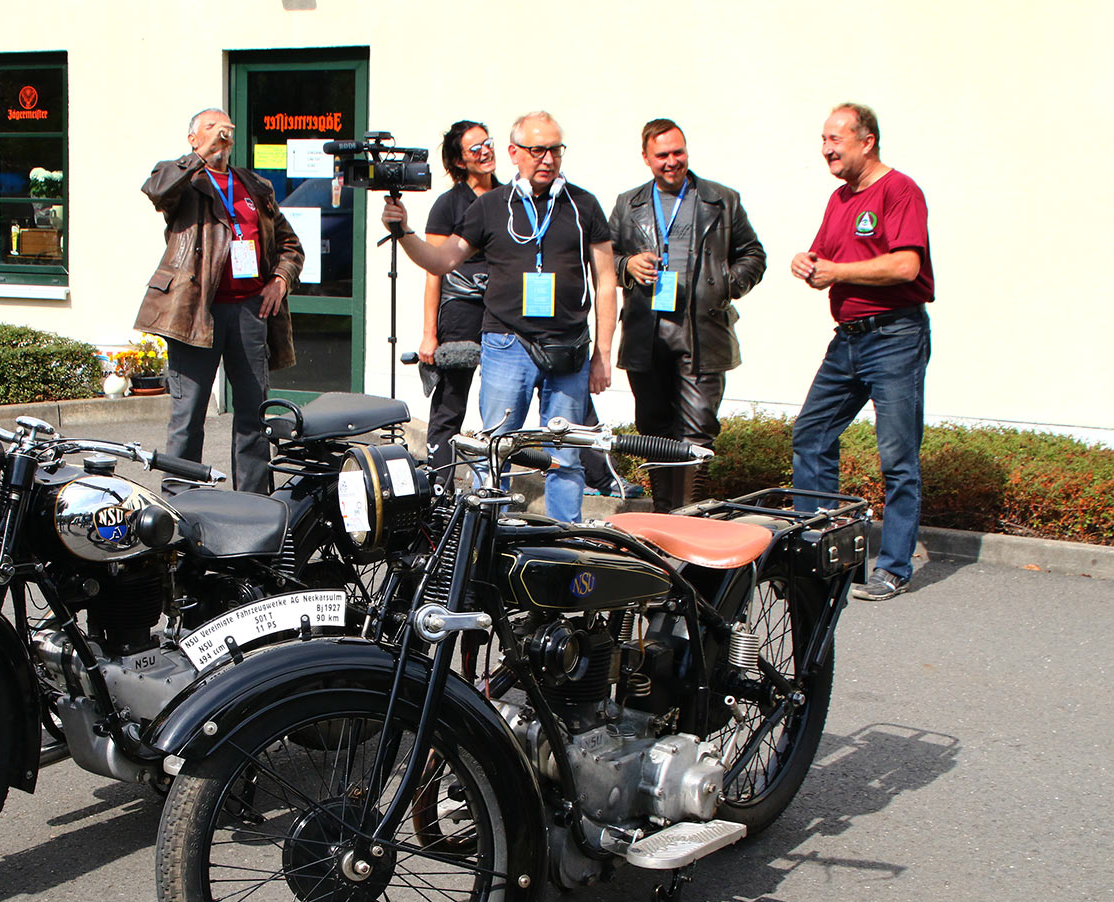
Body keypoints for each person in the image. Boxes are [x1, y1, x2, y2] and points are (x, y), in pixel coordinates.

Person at [383, 111, 616, 523]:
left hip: (568, 350)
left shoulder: (583, 205)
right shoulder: (491, 206)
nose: (547, 159)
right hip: (507, 345)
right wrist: (404, 234)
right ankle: (486, 541)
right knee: (494, 453)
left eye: (555, 149)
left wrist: (602, 353)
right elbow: (441, 260)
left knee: (567, 458)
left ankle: (566, 541)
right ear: (515, 153)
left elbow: (605, 279)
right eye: (537, 149)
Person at [790, 102, 934, 601]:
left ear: (866, 140)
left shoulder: (900, 190)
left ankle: (894, 567)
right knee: (811, 432)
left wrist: (839, 273)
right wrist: (807, 264)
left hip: (895, 337)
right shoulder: (839, 199)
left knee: (896, 457)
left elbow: (905, 267)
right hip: (848, 337)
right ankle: (819, 548)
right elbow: (825, 261)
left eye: (836, 138)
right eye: (823, 139)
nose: (827, 148)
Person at [134, 108, 304, 495]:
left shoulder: (255, 186)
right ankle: (181, 503)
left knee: (253, 416)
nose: (222, 132)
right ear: (193, 139)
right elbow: (156, 189)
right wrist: (200, 155)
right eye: (210, 127)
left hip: (249, 311)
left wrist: (279, 280)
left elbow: (290, 245)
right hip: (194, 314)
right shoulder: (184, 183)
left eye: (226, 126)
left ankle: (254, 504)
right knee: (189, 414)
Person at [609, 119, 766, 511]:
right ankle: (665, 516)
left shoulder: (721, 200)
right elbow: (601, 257)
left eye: (678, 152)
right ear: (646, 157)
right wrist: (626, 265)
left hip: (703, 329)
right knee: (654, 429)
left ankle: (690, 518)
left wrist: (724, 284)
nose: (672, 161)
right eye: (662, 155)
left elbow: (754, 255)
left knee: (698, 430)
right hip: (646, 331)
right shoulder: (629, 204)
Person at [418, 120, 499, 479]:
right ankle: (440, 482)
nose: (486, 152)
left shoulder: (510, 197)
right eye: (475, 149)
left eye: (488, 143)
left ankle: (491, 484)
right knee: (451, 402)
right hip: (461, 309)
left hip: (503, 307)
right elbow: (433, 270)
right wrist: (429, 333)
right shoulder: (448, 205)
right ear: (460, 161)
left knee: (501, 401)